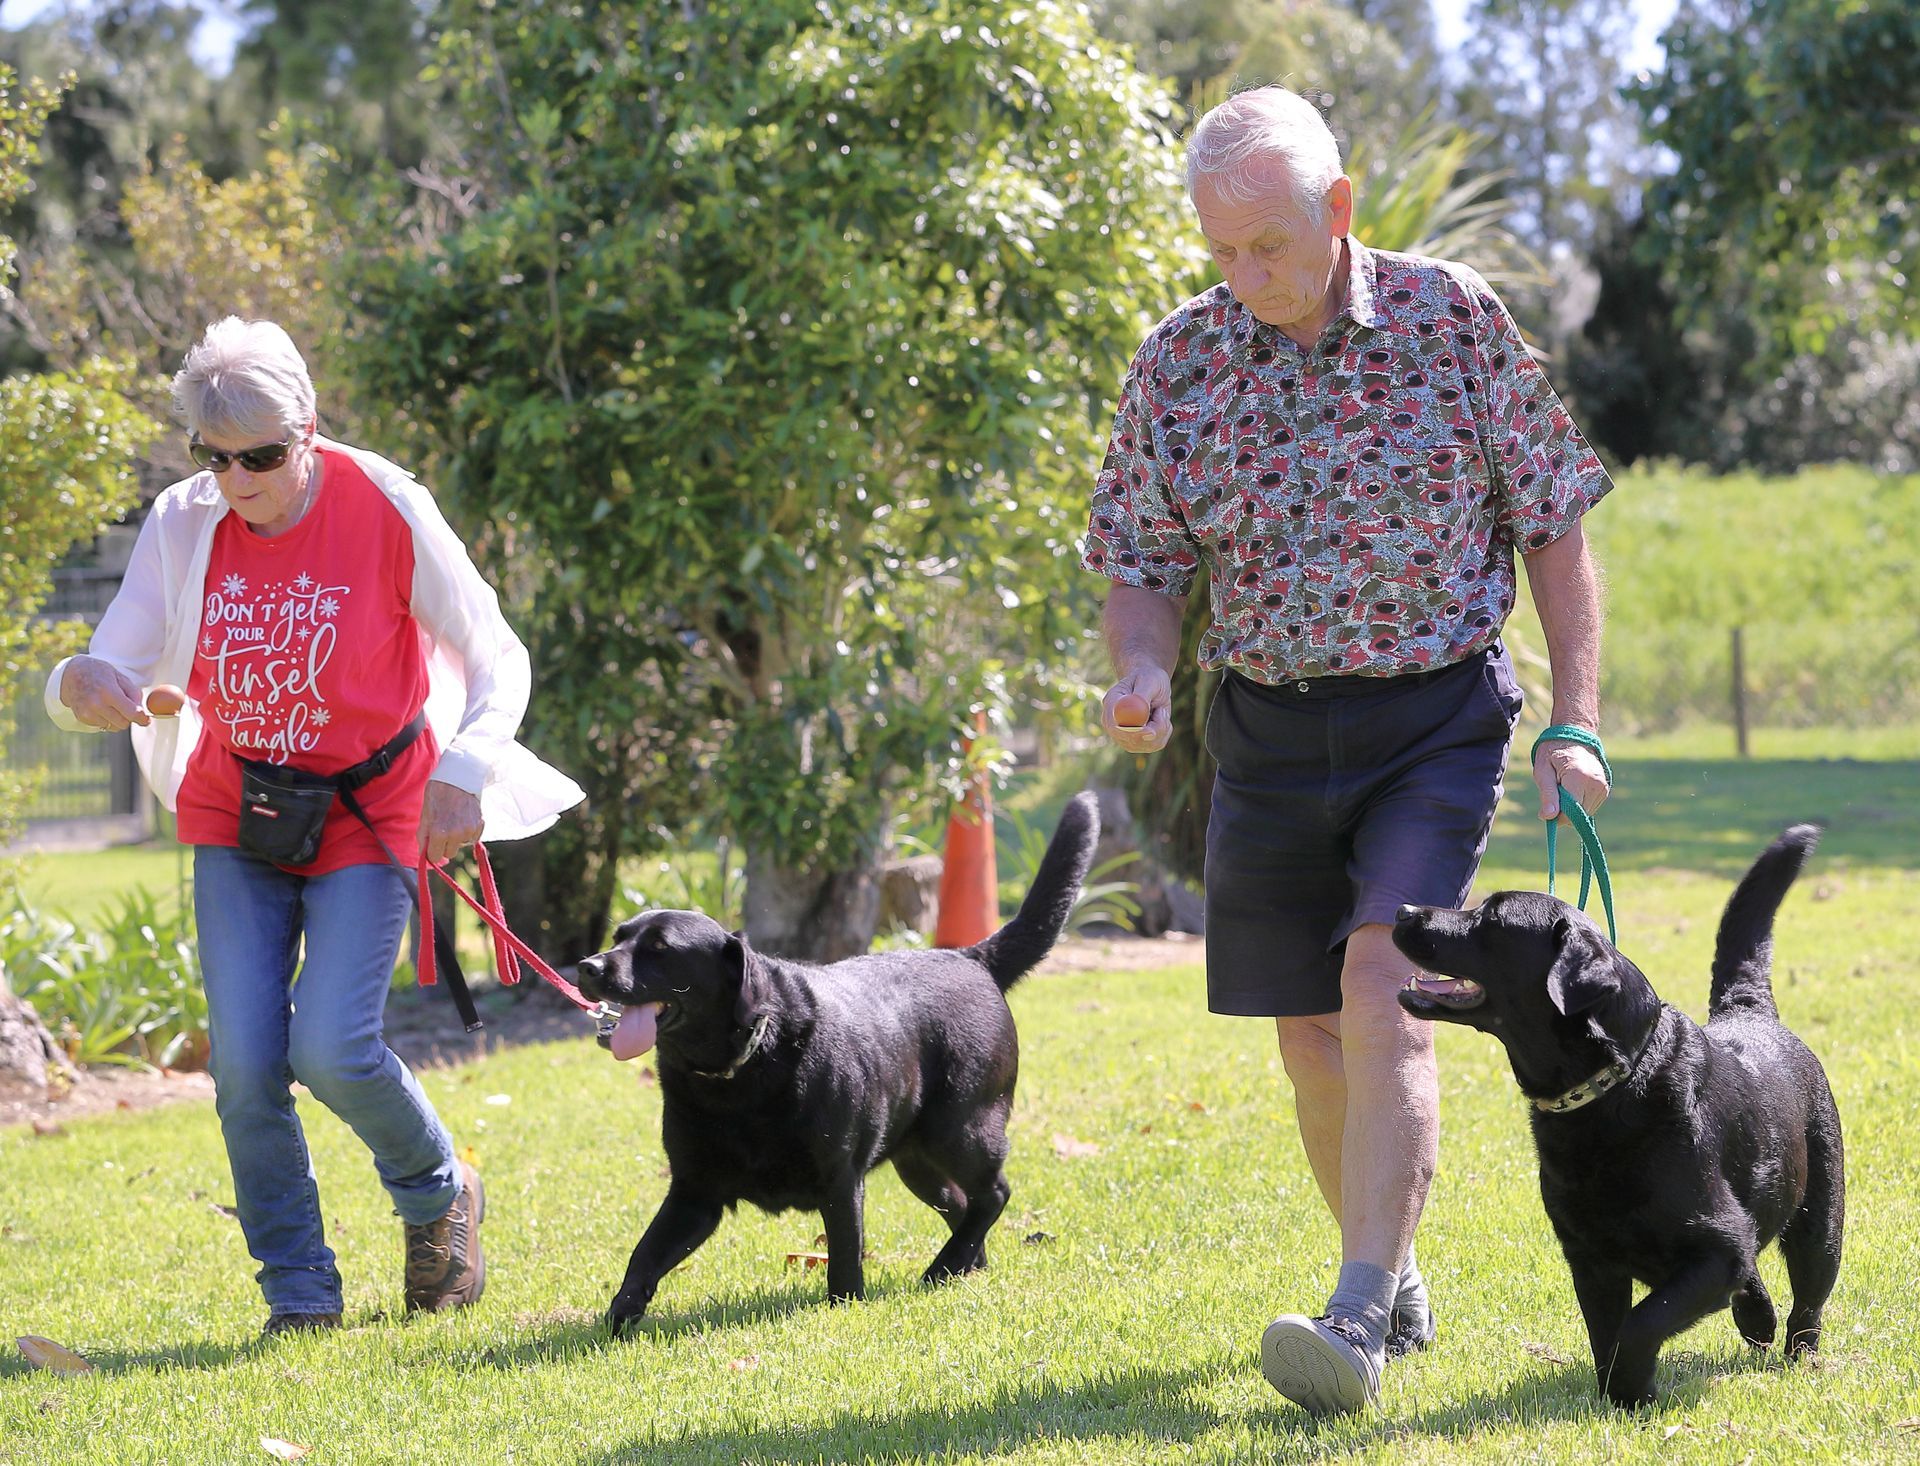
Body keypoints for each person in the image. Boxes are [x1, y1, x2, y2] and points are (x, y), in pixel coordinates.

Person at [1083, 88, 1612, 1415]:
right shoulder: (1181, 362)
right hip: (1261, 726)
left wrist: (1578, 716)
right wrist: (1139, 666)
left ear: (1338, 210)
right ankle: (1395, 1262)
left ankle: (1358, 1314)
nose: (1242, 275)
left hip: (1434, 717)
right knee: (1311, 1033)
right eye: (1219, 251)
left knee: (1382, 986)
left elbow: (1553, 521)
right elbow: (1141, 561)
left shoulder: (1453, 321)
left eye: (1265, 245)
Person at [45, 317, 584, 1337]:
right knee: (247, 1064)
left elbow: (495, 648)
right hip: (236, 804)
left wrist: (464, 773)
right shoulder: (184, 518)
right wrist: (86, 682)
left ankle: (438, 1192)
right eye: (216, 457)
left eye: (262, 456)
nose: (238, 478)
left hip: (373, 803)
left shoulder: (384, 500)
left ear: (309, 428)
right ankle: (298, 1289)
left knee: (332, 1046)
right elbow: (109, 660)